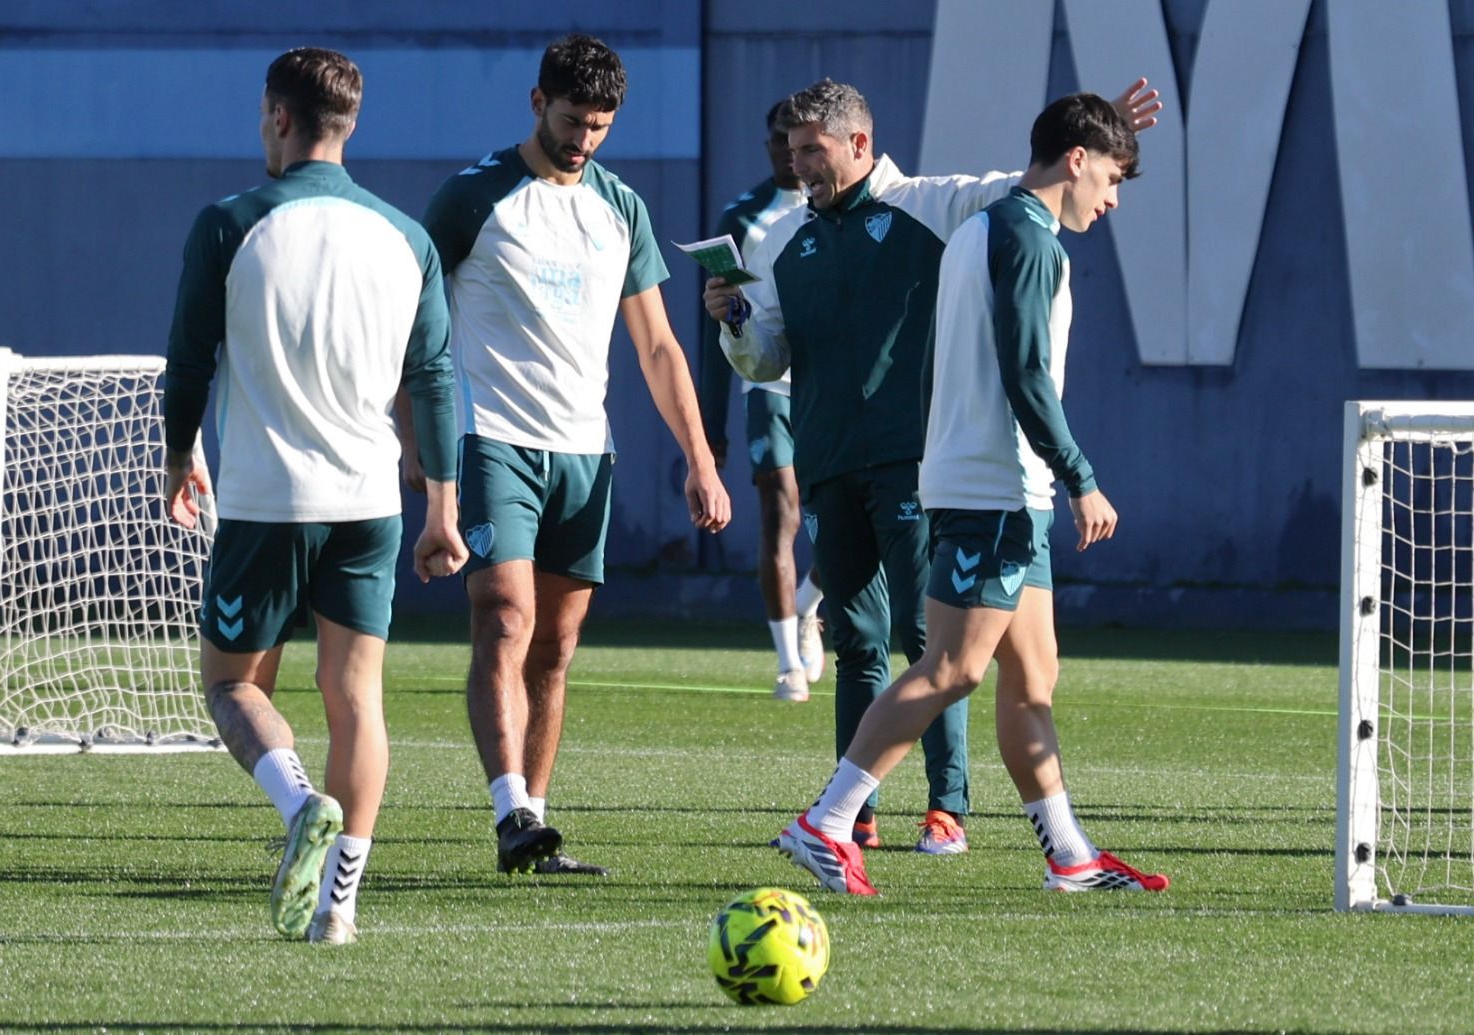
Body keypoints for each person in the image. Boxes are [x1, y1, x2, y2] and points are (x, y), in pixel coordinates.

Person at [706, 78, 1159, 855]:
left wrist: (1096, 134)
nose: (799, 165)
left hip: (924, 462)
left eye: (813, 150)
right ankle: (847, 818)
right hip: (843, 459)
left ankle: (961, 814)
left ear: (859, 143)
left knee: (958, 653)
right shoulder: (780, 240)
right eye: (791, 151)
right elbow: (767, 359)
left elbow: (1026, 186)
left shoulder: (934, 204)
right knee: (872, 642)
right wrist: (736, 319)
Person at [164, 47, 467, 943]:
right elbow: (437, 378)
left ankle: (299, 805)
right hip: (372, 500)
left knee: (229, 686)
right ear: (352, 125)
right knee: (356, 698)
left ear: (278, 116)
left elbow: (189, 362)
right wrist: (443, 506)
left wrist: (179, 452)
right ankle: (338, 908)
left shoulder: (230, 223)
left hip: (265, 498)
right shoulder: (406, 236)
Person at [412, 34, 731, 878]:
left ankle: (537, 825)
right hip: (491, 439)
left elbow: (659, 345)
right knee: (504, 614)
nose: (584, 139)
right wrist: (411, 436)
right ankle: (508, 807)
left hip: (585, 452)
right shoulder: (474, 196)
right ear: (534, 102)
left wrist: (700, 456)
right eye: (571, 119)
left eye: (600, 125)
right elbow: (406, 316)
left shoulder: (621, 207)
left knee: (554, 645)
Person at [698, 99, 827, 703]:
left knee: (846, 522)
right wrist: (710, 419)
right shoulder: (743, 218)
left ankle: (808, 605)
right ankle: (786, 666)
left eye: (798, 142)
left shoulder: (836, 204)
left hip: (829, 384)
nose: (788, 153)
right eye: (778, 141)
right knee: (783, 513)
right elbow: (718, 322)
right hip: (768, 387)